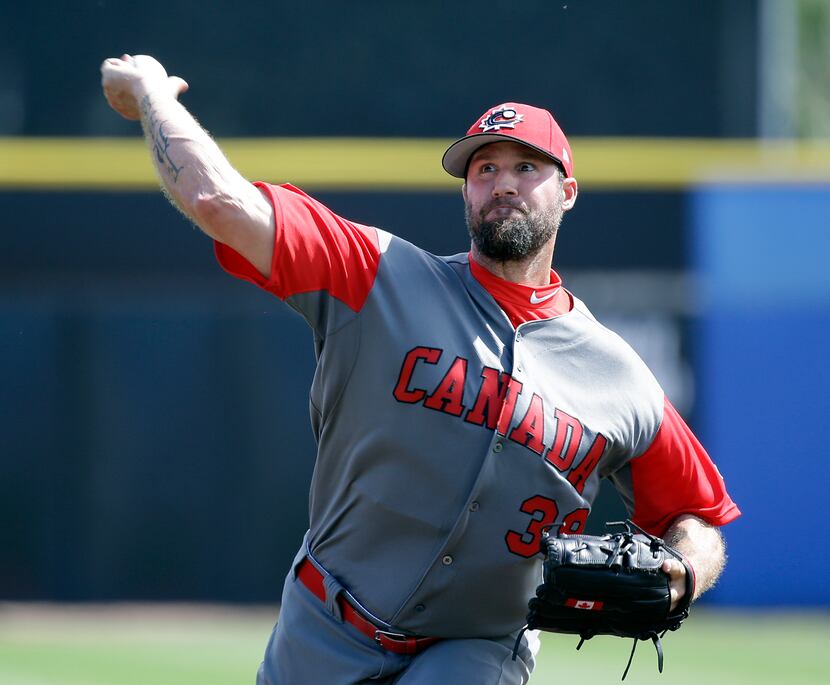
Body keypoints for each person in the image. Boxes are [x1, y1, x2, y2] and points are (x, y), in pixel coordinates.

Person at [101, 54, 740, 685]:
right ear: (466, 189)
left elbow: (698, 515)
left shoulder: (617, 377)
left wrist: (682, 571)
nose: (503, 183)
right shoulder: (379, 275)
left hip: (478, 646)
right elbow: (217, 200)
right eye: (484, 168)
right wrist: (155, 94)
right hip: (324, 627)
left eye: (526, 167)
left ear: (568, 192)